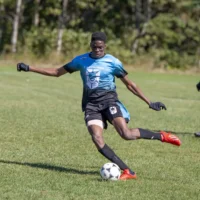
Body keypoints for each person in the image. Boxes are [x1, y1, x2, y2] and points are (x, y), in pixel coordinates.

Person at [17, 31, 181, 180]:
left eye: (100, 47)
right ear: (91, 46)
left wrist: (149, 102)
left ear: (105, 47)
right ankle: (128, 171)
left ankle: (162, 136)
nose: (98, 50)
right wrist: (29, 68)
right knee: (96, 138)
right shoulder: (81, 60)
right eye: (95, 47)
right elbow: (56, 72)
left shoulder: (113, 62)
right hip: (91, 105)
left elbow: (130, 84)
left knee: (126, 134)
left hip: (109, 101)